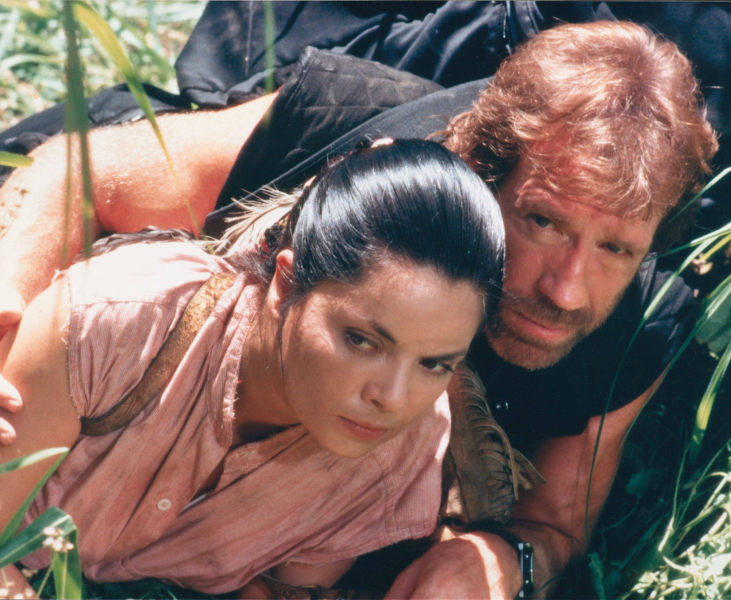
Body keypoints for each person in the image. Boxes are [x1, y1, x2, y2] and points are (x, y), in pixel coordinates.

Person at [0, 19, 719, 599]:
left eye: (617, 248)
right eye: (543, 222)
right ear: (483, 179)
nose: (567, 289)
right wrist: (10, 304)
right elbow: (80, 171)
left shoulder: (640, 322)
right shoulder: (354, 128)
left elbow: (560, 520)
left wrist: (501, 560)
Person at [0, 139, 505, 597]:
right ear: (286, 284)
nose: (391, 399)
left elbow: (281, 591)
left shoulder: (405, 445)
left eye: (434, 364)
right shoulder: (117, 320)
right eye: (362, 341)